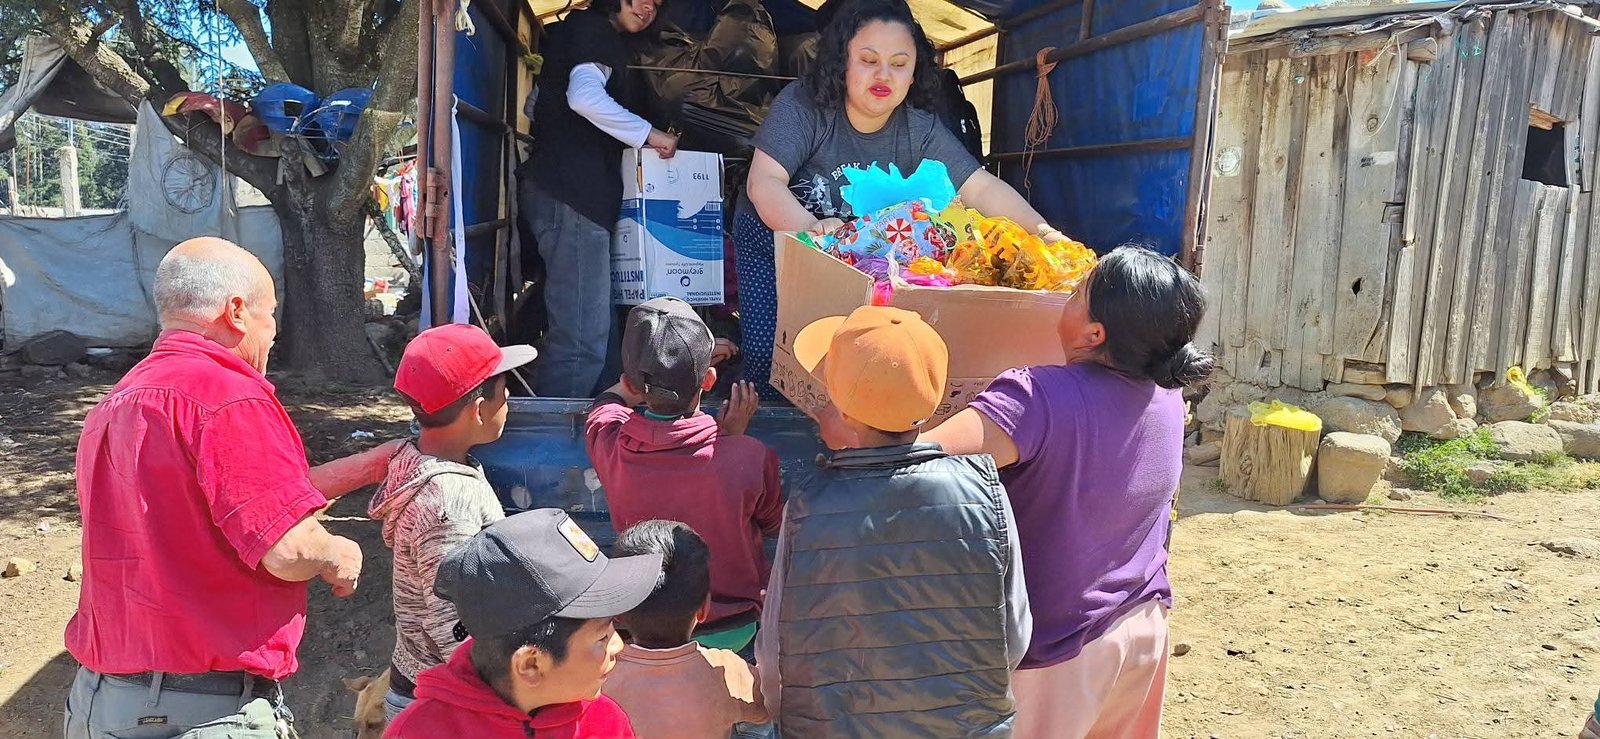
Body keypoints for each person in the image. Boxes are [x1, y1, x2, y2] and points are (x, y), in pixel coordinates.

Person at [64, 237, 401, 738]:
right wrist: (338, 552)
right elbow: (289, 550)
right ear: (237, 311)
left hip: (102, 702)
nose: (275, 331)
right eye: (271, 314)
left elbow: (241, 502)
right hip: (199, 712)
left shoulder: (119, 401)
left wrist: (370, 465)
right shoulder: (229, 396)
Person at [922, 245, 1212, 738]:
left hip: (1062, 654)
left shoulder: (1035, 397)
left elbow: (919, 462)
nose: (1065, 296)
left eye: (1078, 291)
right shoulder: (1166, 395)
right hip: (1142, 627)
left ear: (1094, 334)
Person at [735, 0, 1070, 397]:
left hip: (854, 251)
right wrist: (810, 228)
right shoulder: (803, 105)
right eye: (868, 60)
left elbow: (980, 187)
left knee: (841, 357)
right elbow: (764, 183)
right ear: (842, 62)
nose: (883, 75)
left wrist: (1045, 233)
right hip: (775, 234)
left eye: (899, 64)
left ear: (914, 73)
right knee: (771, 353)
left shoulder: (919, 127)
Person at [757, 305, 1032, 737]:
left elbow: (776, 652)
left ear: (843, 412)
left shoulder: (808, 504)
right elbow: (1013, 637)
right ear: (934, 398)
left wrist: (781, 712)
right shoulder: (985, 492)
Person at [587, 297, 782, 654]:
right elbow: (773, 523)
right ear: (709, 380)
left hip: (647, 629)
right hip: (735, 630)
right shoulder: (748, 455)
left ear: (632, 384)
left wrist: (639, 382)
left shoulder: (609, 442)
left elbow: (606, 405)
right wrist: (729, 439)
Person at [368, 323, 538, 720]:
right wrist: (506, 692)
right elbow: (453, 622)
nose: (508, 400)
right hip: (446, 705)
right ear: (478, 410)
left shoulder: (422, 460)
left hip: (426, 686)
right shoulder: (449, 503)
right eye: (504, 392)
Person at [386, 509, 662, 737]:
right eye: (602, 637)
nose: (618, 645)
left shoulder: (604, 723)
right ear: (531, 665)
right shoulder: (416, 732)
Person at [521, 0, 679, 398]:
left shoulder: (573, 33)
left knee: (599, 333)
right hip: (573, 195)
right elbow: (584, 97)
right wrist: (650, 135)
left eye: (658, 3)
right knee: (581, 340)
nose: (649, 7)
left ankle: (602, 421)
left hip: (564, 193)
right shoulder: (594, 30)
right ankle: (553, 431)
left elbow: (533, 104)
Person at [601, 520, 771, 738]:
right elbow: (766, 706)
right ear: (704, 610)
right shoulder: (725, 669)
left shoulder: (599, 675)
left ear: (619, 611)